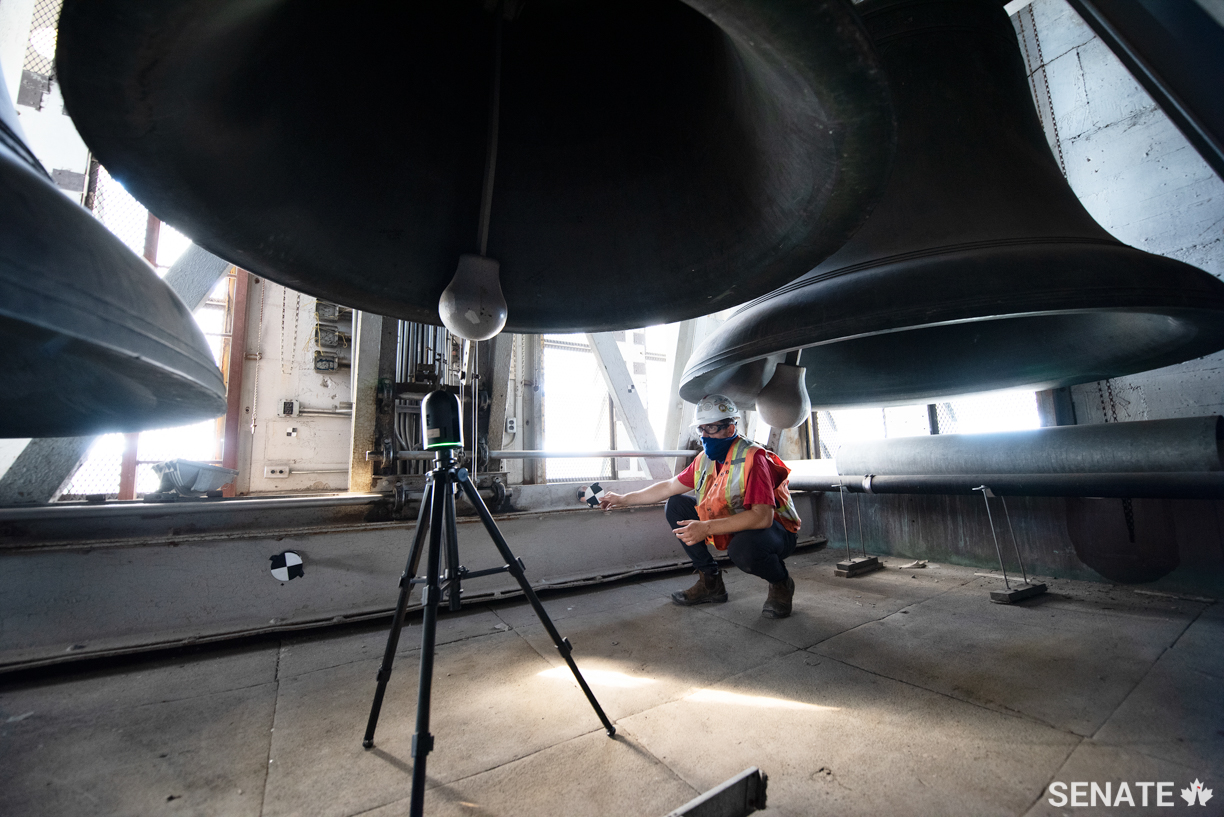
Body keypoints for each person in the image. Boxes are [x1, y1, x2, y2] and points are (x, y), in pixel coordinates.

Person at [599, 394, 802, 618]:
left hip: (775, 532)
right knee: (675, 504)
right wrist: (624, 499)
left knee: (743, 550)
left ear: (730, 428)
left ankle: (781, 583)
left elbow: (762, 517)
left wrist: (705, 527)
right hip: (736, 524)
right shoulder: (705, 459)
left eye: (712, 428)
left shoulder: (754, 459)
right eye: (701, 429)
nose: (705, 435)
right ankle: (711, 582)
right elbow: (668, 487)